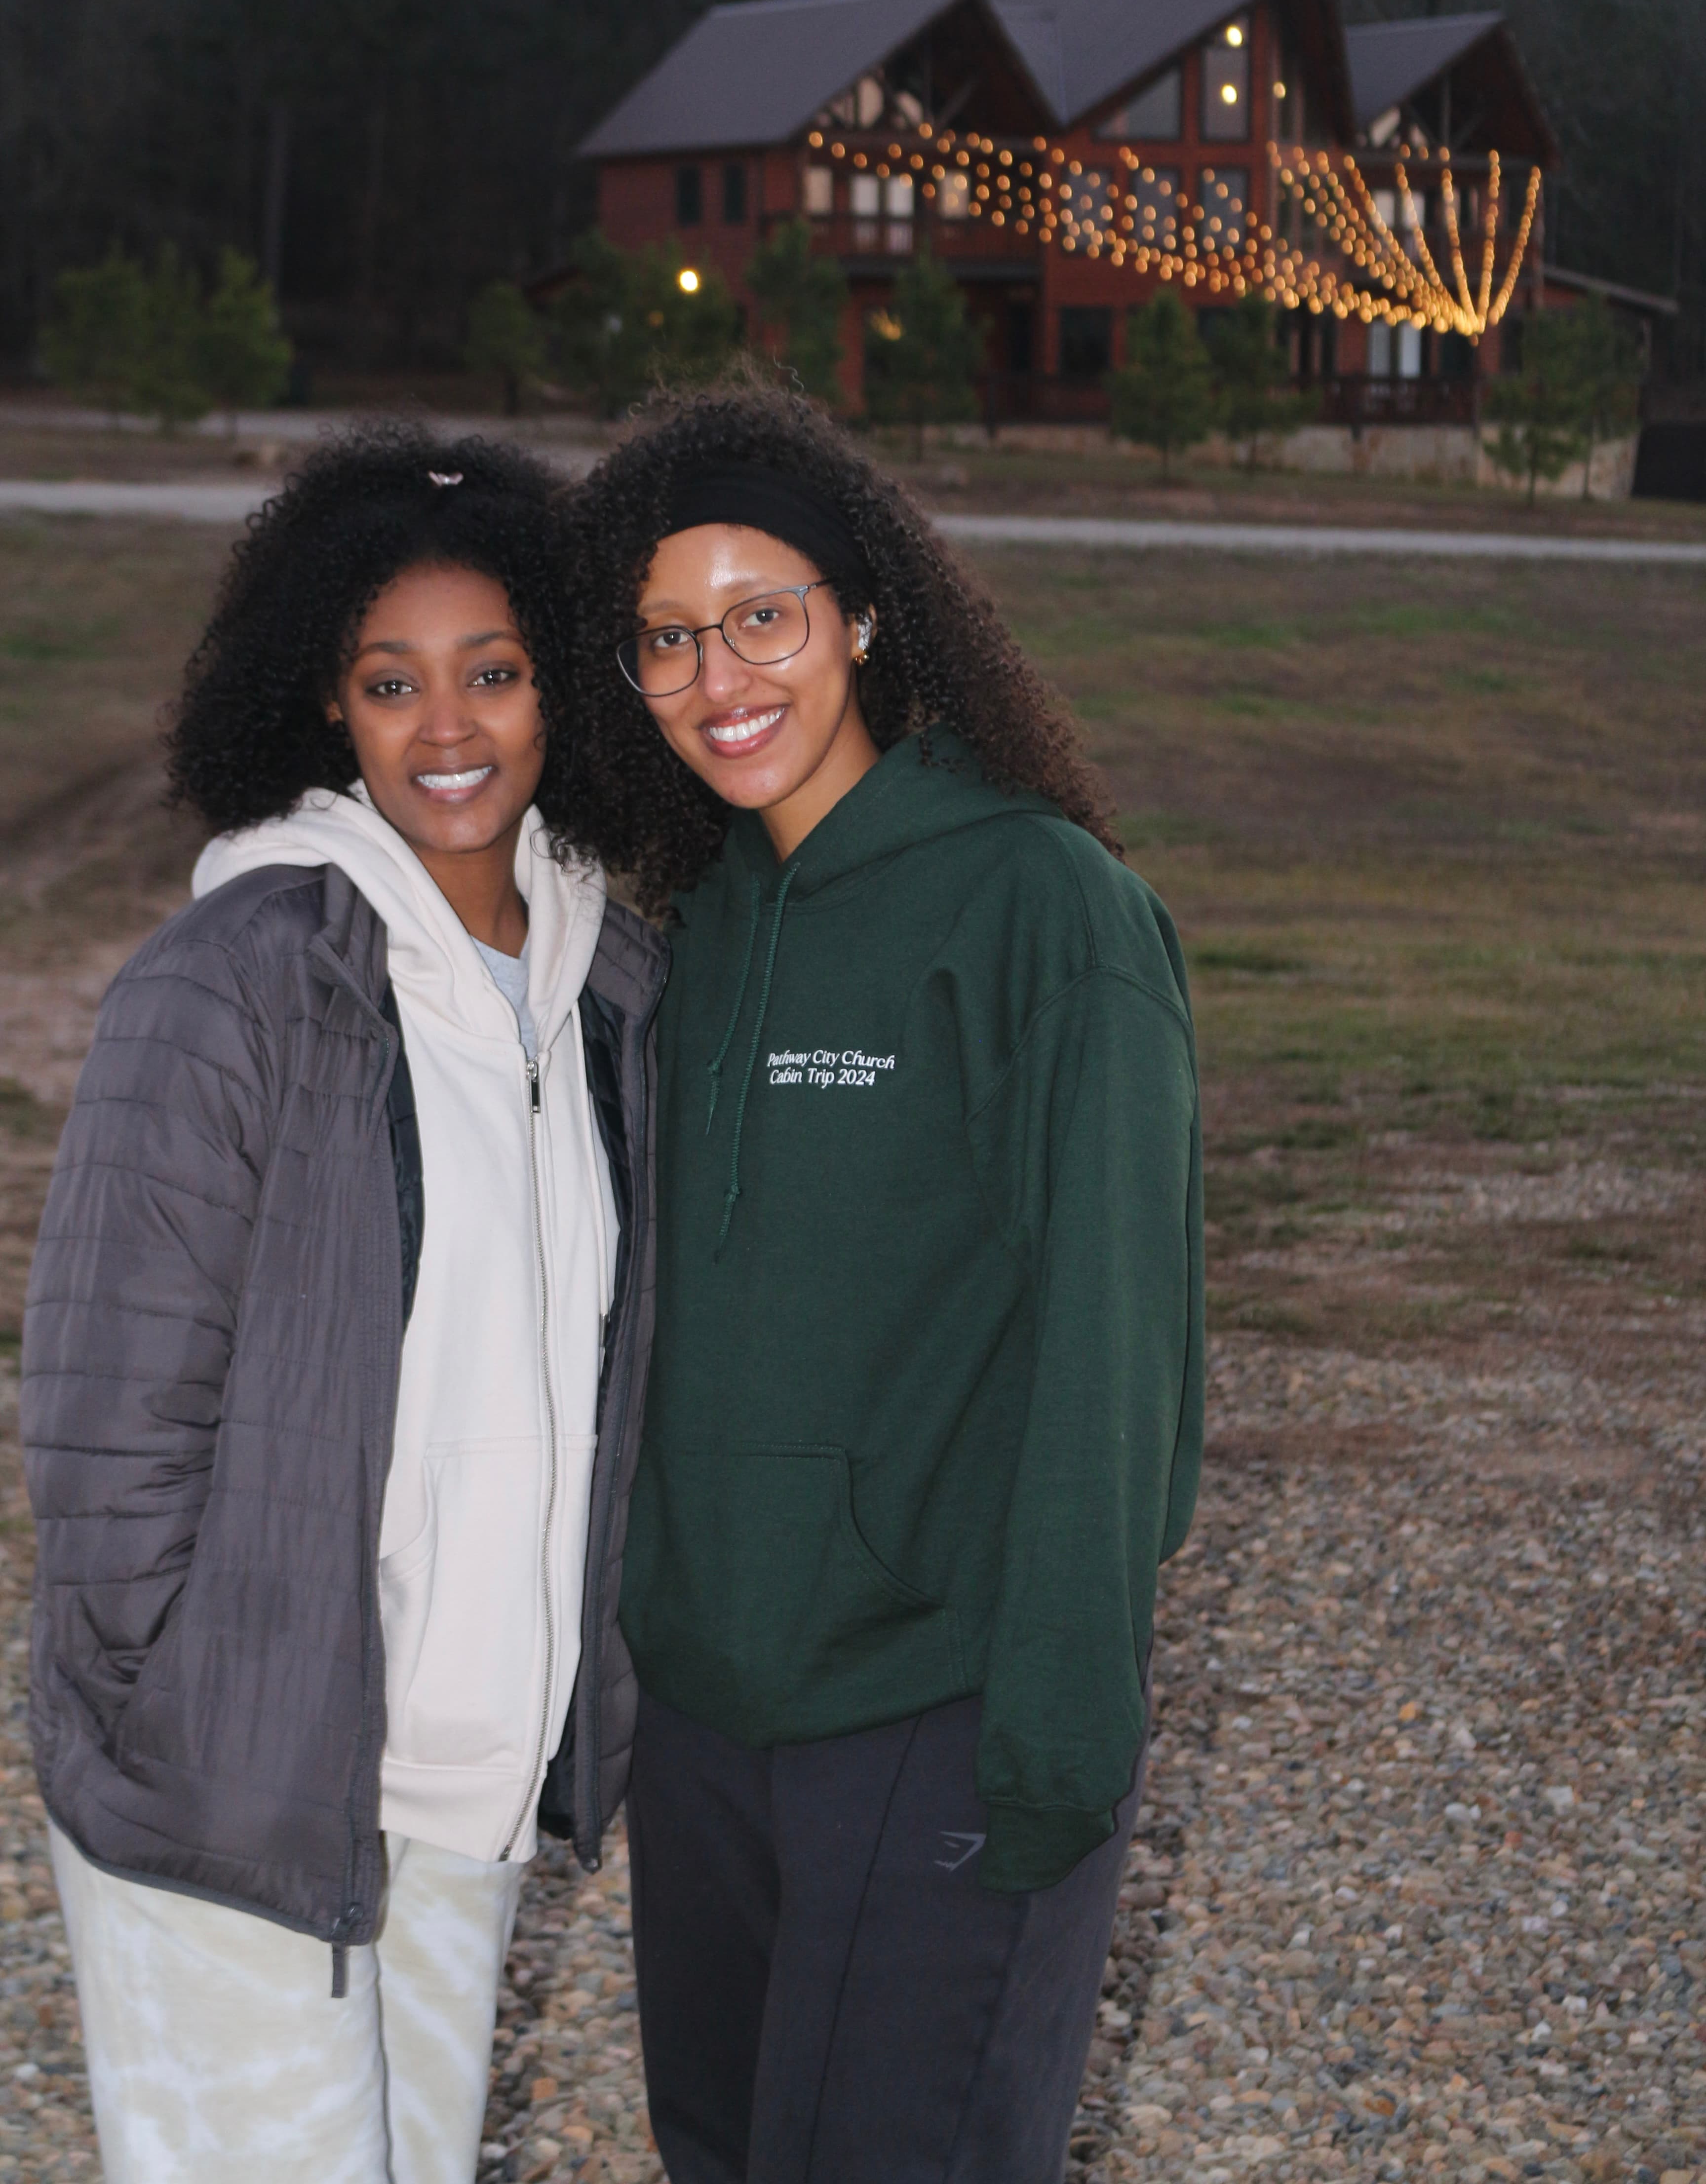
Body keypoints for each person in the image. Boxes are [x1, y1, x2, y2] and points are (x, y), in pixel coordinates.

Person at [559, 388, 1204, 2184]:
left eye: (762, 615)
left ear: (861, 616)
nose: (719, 677)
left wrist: (1064, 1736)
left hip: (935, 1712)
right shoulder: (701, 932)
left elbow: (1117, 1352)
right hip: (709, 1715)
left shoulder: (1044, 912)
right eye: (669, 639)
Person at [22, 427, 665, 2184]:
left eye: (496, 675)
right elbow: (101, 1421)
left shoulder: (615, 985)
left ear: (563, 694)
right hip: (246, 1782)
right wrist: (183, 1712)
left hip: (473, 1786)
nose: (447, 729)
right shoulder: (233, 984)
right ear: (328, 702)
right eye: (395, 683)